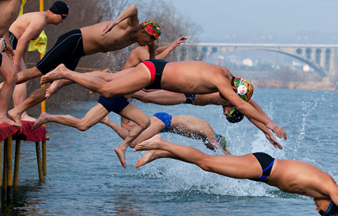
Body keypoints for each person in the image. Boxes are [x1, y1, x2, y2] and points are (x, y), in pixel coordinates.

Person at [0, 6, 160, 124]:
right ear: (142, 31)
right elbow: (133, 8)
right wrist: (115, 22)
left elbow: (151, 59)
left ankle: (18, 111)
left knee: (54, 87)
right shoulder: (130, 26)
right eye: (148, 39)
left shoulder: (147, 41)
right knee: (36, 71)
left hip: (79, 51)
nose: (147, 43)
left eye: (151, 41)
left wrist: (152, 57)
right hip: (74, 40)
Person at [134, 135, 338, 216]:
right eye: (324, 213)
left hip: (263, 171)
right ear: (331, 205)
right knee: (207, 162)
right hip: (264, 167)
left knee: (209, 167)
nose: (318, 211)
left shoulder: (320, 190)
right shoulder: (330, 188)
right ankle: (162, 143)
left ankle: (162, 152)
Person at [40, 60, 287, 142]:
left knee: (111, 82)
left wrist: (266, 128)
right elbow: (243, 105)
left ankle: (68, 79)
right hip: (155, 74)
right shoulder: (221, 83)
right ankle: (65, 73)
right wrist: (272, 125)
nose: (227, 104)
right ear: (233, 90)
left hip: (158, 76)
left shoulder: (227, 76)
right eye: (230, 101)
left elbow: (249, 104)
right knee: (108, 87)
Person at [126, 87, 285, 149]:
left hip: (185, 96)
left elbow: (252, 114)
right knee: (145, 96)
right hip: (185, 93)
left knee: (146, 93)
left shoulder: (232, 100)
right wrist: (269, 128)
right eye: (228, 113)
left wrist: (266, 132)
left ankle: (117, 86)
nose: (224, 112)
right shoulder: (232, 97)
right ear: (235, 107)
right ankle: (115, 88)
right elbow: (252, 112)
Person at [33, 95, 150, 168]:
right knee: (82, 124)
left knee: (143, 122)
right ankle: (48, 117)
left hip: (121, 100)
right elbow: (144, 95)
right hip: (113, 98)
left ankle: (119, 142)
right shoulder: (143, 73)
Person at [0, 1, 68, 121]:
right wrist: (16, 64)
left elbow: (25, 43)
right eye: (63, 17)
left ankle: (19, 112)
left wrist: (23, 64)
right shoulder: (40, 20)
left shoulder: (41, 19)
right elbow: (21, 41)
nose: (63, 21)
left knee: (22, 77)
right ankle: (20, 113)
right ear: (56, 13)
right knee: (18, 79)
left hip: (13, 41)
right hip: (9, 41)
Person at [101, 112, 231, 154]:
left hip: (164, 122)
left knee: (127, 126)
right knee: (132, 142)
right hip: (164, 122)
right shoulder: (208, 131)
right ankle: (107, 120)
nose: (208, 147)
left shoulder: (205, 134)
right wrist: (231, 157)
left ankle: (120, 100)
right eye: (210, 147)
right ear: (217, 138)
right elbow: (219, 149)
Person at [121, 35, 187, 69]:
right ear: (150, 41)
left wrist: (174, 44)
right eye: (158, 40)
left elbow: (158, 51)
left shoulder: (147, 50)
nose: (158, 42)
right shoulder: (140, 50)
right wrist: (169, 48)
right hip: (123, 83)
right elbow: (153, 62)